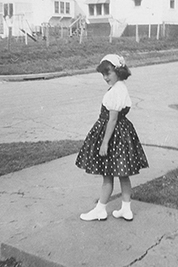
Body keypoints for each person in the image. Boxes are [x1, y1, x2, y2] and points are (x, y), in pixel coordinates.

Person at [75, 54, 149, 221]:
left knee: (107, 174)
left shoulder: (115, 92)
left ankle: (100, 209)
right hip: (123, 133)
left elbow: (112, 119)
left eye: (108, 73)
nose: (105, 77)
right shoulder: (121, 87)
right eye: (103, 74)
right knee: (123, 173)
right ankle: (126, 208)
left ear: (118, 71)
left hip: (112, 134)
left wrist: (104, 143)